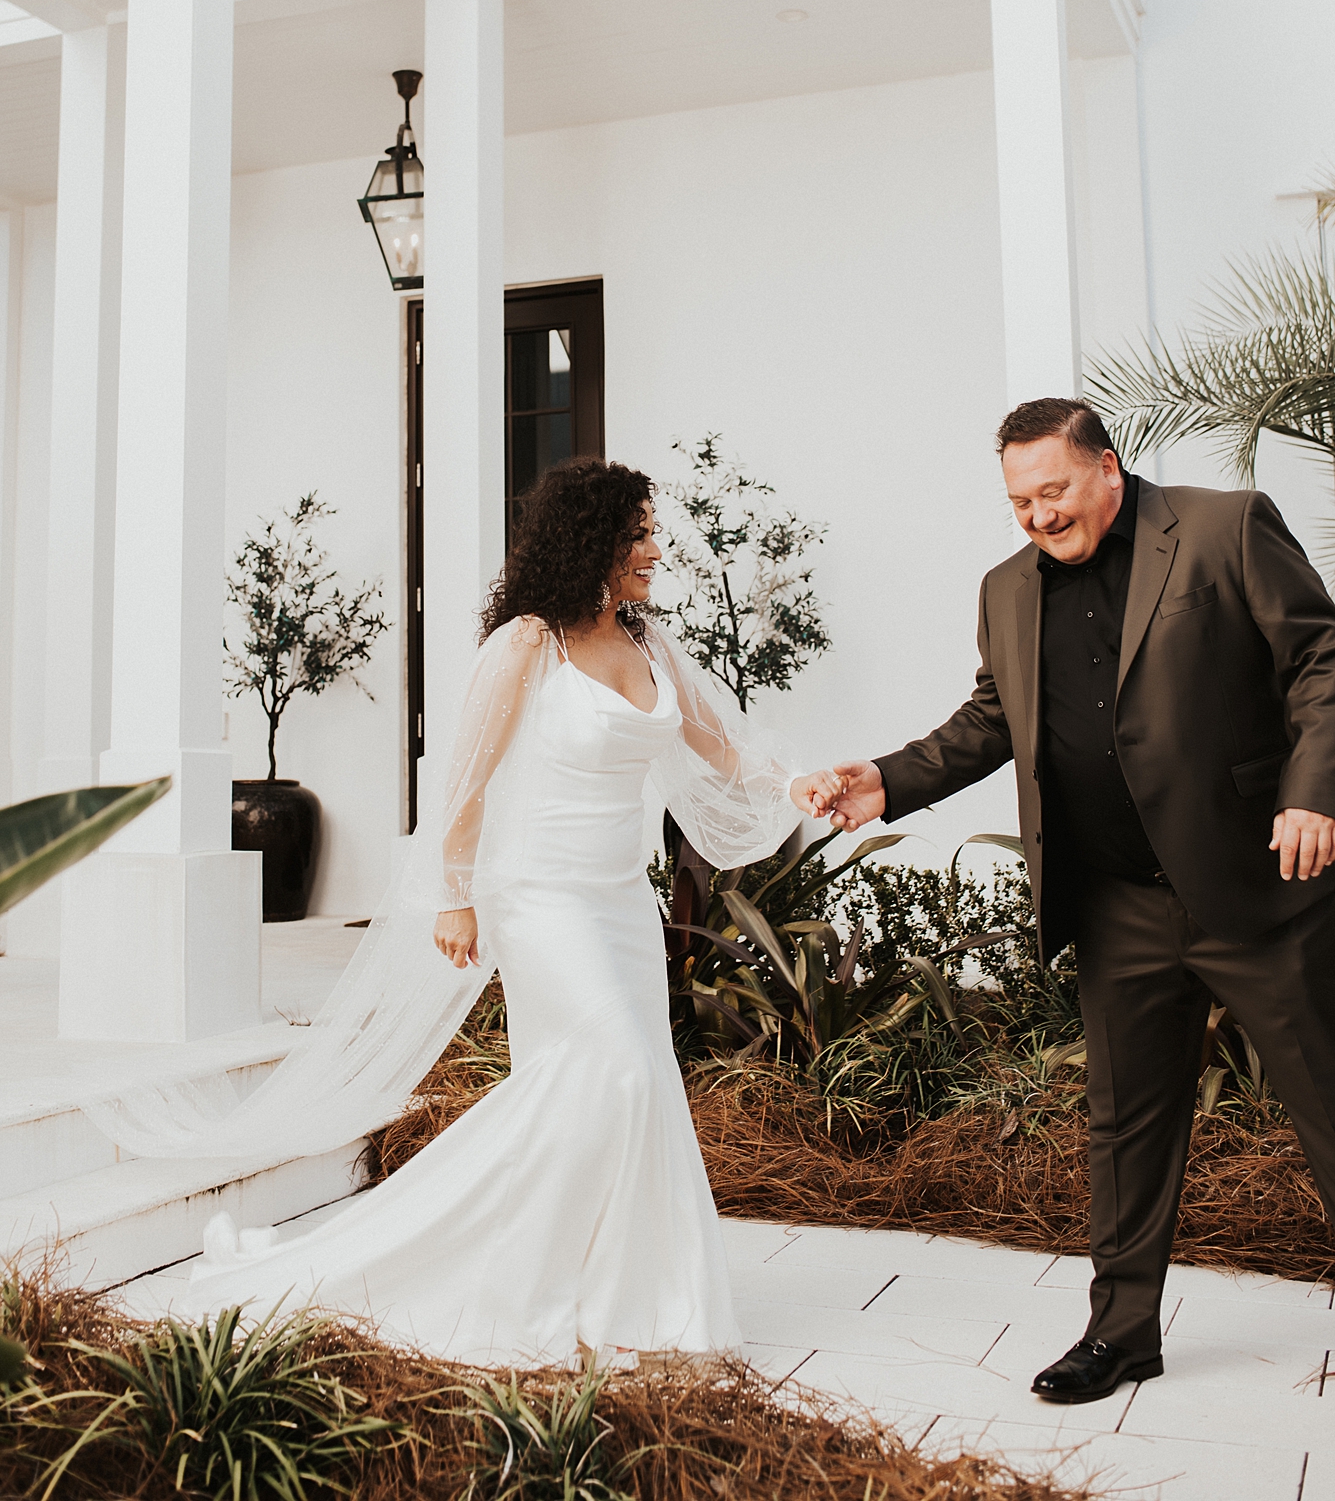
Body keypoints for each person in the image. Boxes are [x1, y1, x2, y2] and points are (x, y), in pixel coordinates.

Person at [154, 457, 805, 1364]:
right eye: (641, 533)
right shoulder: (528, 645)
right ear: (596, 542)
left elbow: (723, 750)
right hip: (540, 898)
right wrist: (453, 895)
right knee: (611, 1071)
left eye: (654, 531)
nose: (657, 549)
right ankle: (441, 1261)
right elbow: (464, 783)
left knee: (628, 1086)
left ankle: (624, 1294)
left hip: (620, 903)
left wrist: (805, 786)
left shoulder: (649, 642)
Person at [793, 398, 1335, 1406]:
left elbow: (1320, 659)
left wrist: (1311, 791)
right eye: (1019, 499)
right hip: (1117, 897)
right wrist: (885, 777)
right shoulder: (1007, 589)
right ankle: (1122, 1332)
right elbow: (993, 715)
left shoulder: (1223, 527)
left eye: (1052, 490)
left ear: (1107, 469)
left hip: (1254, 884)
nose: (1037, 514)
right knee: (1124, 1125)